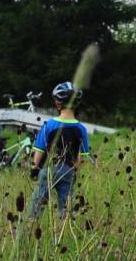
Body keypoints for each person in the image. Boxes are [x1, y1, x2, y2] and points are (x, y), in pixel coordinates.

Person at [26, 81, 91, 219]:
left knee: (37, 204)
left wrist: (34, 168)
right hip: (68, 171)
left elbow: (39, 152)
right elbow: (79, 157)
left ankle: (32, 224)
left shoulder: (49, 125)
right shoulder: (81, 129)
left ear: (58, 104)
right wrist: (74, 169)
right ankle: (64, 227)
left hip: (48, 169)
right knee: (66, 207)